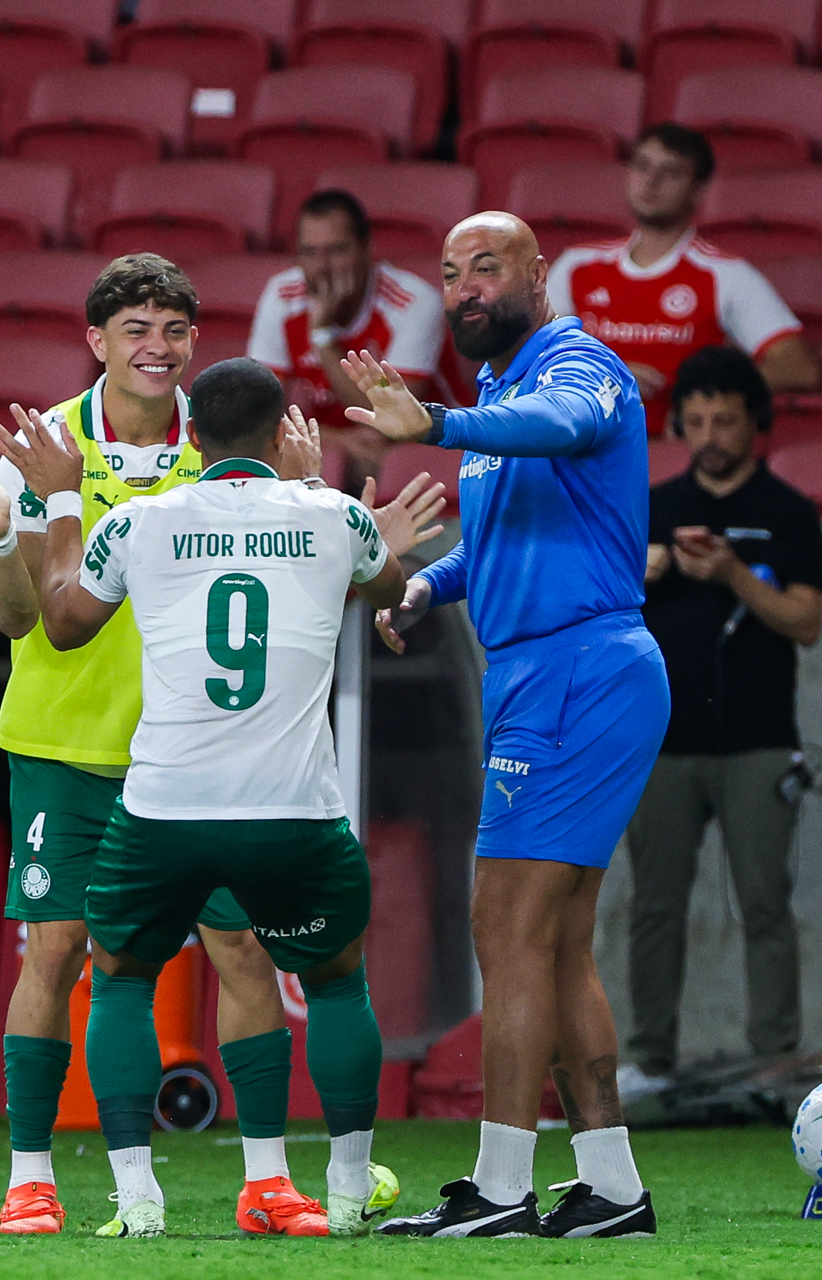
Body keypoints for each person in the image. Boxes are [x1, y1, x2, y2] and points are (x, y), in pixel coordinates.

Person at [0, 356, 446, 1237]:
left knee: (120, 981)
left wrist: (57, 503)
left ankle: (138, 1202)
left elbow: (60, 622)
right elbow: (383, 586)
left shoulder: (141, 522)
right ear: (281, 434)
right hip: (293, 809)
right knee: (336, 980)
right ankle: (344, 1194)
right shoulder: (333, 515)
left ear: (191, 437)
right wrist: (330, 502)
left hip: (164, 808)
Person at [0, 254, 305, 1237]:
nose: (157, 348)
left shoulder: (219, 447)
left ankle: (268, 1179)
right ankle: (31, 1175)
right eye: (136, 328)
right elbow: (14, 620)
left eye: (173, 330)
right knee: (55, 952)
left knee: (241, 946)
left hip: (196, 752)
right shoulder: (41, 447)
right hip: (61, 748)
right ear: (96, 341)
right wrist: (8, 532)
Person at [340, 212, 670, 1240]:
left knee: (506, 927)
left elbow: (566, 426)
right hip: (546, 670)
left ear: (537, 272)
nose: (466, 287)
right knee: (558, 940)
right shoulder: (497, 394)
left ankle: (500, 1186)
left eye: (487, 266)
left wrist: (430, 424)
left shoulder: (580, 364)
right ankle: (611, 1187)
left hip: (579, 667)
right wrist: (425, 588)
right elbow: (501, 541)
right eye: (449, 273)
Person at [621, 346, 822, 1098]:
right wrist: (646, 569)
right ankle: (649, 1061)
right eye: (697, 418)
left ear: (755, 426)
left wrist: (733, 573)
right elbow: (609, 600)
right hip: (664, 738)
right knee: (654, 904)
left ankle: (775, 1062)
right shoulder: (655, 507)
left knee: (766, 901)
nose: (709, 433)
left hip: (761, 740)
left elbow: (806, 621)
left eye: (725, 420)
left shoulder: (787, 513)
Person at [547, 122, 819, 436]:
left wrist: (699, 393)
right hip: (580, 449)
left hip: (672, 454)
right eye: (642, 166)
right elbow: (526, 358)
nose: (651, 181)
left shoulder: (724, 273)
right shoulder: (577, 265)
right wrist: (609, 374)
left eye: (671, 172)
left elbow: (797, 366)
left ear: (699, 191)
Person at [247, 188, 447, 489]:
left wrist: (323, 336)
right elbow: (258, 416)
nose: (323, 267)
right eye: (310, 253)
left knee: (374, 465)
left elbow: (395, 421)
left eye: (336, 250)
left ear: (367, 248)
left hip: (423, 445)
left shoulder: (412, 302)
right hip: (341, 443)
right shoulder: (282, 296)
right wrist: (338, 441)